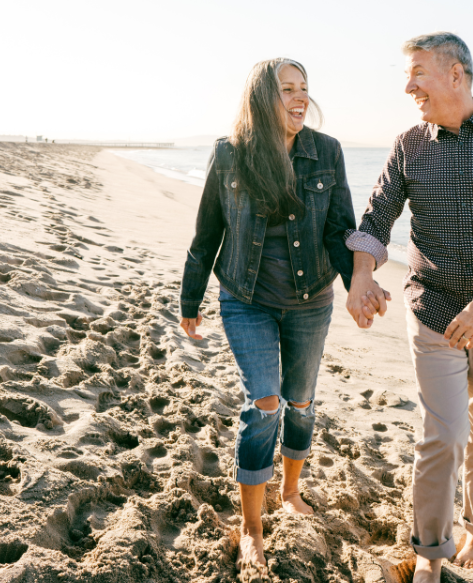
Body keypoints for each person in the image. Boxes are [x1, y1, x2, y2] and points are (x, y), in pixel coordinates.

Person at [346, 33, 473, 582]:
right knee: (442, 436)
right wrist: (362, 276)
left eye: (417, 73)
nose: (408, 86)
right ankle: (430, 555)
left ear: (455, 74)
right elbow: (375, 218)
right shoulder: (410, 144)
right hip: (432, 311)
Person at [179, 58, 387, 568]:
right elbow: (208, 232)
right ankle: (251, 527)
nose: (299, 97)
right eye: (286, 89)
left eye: (304, 89)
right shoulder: (230, 155)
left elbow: (341, 227)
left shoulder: (326, 151)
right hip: (245, 297)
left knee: (301, 402)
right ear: (260, 98)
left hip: (311, 299)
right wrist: (190, 299)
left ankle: (290, 491)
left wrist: (359, 284)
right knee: (265, 403)